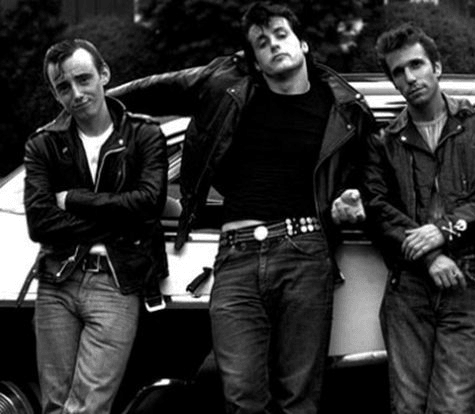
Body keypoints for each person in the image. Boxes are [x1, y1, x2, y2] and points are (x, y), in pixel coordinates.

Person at [109, 2, 374, 413]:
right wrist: (94, 102)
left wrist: (353, 198)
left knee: (299, 399)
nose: (274, 45)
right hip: (236, 258)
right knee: (242, 397)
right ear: (254, 60)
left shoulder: (345, 108)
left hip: (306, 254)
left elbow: (373, 176)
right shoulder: (224, 86)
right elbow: (156, 89)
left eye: (281, 35)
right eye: (262, 43)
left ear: (303, 44)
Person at [364, 23, 475, 414]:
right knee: (407, 406)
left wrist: (444, 230)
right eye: (399, 72)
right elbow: (377, 209)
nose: (410, 77)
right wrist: (431, 255)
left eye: (416, 65)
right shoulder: (384, 141)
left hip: (469, 277)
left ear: (436, 67)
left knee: (454, 406)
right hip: (408, 284)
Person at [23, 39, 168, 414]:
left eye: (84, 79)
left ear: (104, 74)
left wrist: (73, 199)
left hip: (116, 282)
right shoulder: (44, 144)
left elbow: (149, 204)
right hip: (57, 280)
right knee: (55, 406)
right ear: (55, 94)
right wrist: (121, 219)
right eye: (63, 87)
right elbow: (41, 223)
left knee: (87, 408)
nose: (76, 93)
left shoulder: (144, 134)